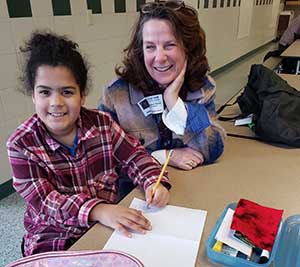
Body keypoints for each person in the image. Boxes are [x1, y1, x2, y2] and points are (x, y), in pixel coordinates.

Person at [6, 31, 170, 256]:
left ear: (82, 96)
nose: (56, 103)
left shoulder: (102, 124)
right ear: (33, 96)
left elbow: (135, 156)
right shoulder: (20, 144)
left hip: (105, 226)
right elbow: (45, 201)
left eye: (67, 92)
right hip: (53, 236)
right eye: (45, 92)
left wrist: (153, 182)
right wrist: (98, 210)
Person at [98, 0, 225, 172]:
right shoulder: (116, 94)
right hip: (137, 191)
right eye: (150, 47)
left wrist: (175, 104)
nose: (159, 58)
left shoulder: (203, 87)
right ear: (140, 51)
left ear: (188, 48)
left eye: (169, 45)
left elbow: (213, 148)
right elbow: (104, 159)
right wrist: (162, 156)